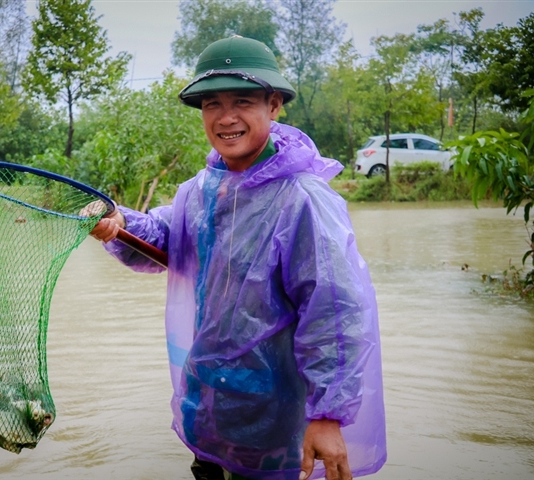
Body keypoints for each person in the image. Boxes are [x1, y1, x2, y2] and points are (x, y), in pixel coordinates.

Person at [89, 36, 386, 480]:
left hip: (279, 424)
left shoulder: (302, 199)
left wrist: (327, 415)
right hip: (209, 414)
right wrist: (120, 221)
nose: (226, 118)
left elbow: (334, 311)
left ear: (273, 105)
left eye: (242, 101)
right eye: (212, 104)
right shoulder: (200, 191)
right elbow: (168, 241)